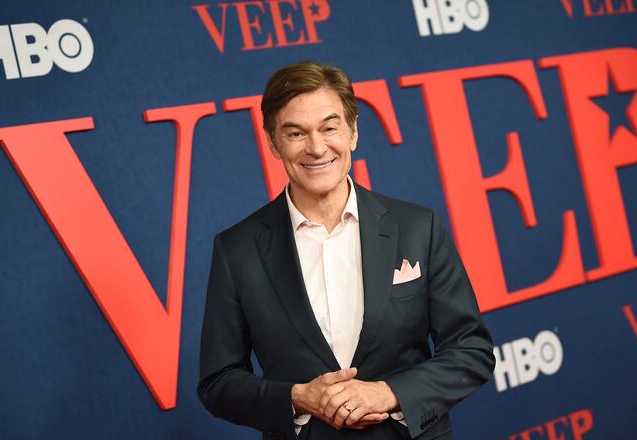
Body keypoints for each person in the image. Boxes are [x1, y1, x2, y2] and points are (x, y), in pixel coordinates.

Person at [197, 61, 495, 440]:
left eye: (329, 127)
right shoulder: (237, 249)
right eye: (295, 133)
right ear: (273, 142)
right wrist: (297, 397)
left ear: (352, 132)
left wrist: (387, 393)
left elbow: (471, 350)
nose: (317, 147)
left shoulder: (419, 227)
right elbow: (217, 383)